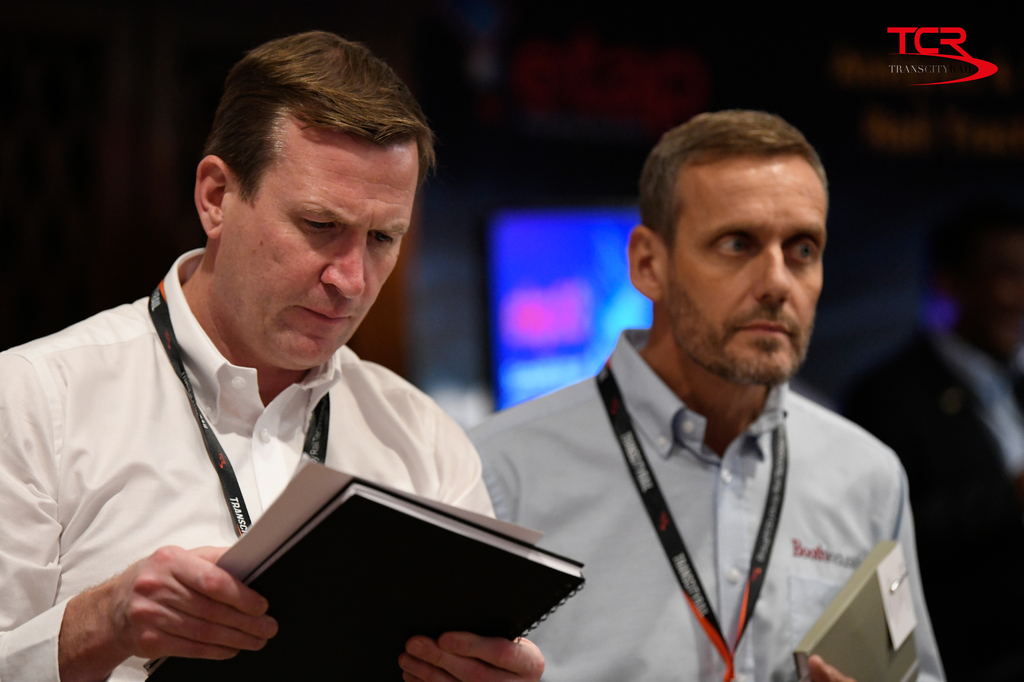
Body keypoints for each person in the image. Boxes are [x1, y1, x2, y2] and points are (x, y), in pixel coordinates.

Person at [0, 31, 543, 682]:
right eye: (320, 226)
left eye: (382, 238)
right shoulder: (34, 399)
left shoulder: (423, 438)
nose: (352, 280)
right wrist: (103, 622)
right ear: (215, 198)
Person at [470, 110, 945, 682]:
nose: (777, 283)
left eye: (802, 249)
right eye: (737, 244)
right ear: (649, 264)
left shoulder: (868, 477)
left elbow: (914, 674)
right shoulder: (500, 473)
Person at [845, 203, 1024, 682]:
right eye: (1007, 276)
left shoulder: (1017, 383)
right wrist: (1010, 496)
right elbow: (880, 550)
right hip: (962, 662)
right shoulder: (886, 397)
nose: (1020, 297)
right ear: (950, 284)